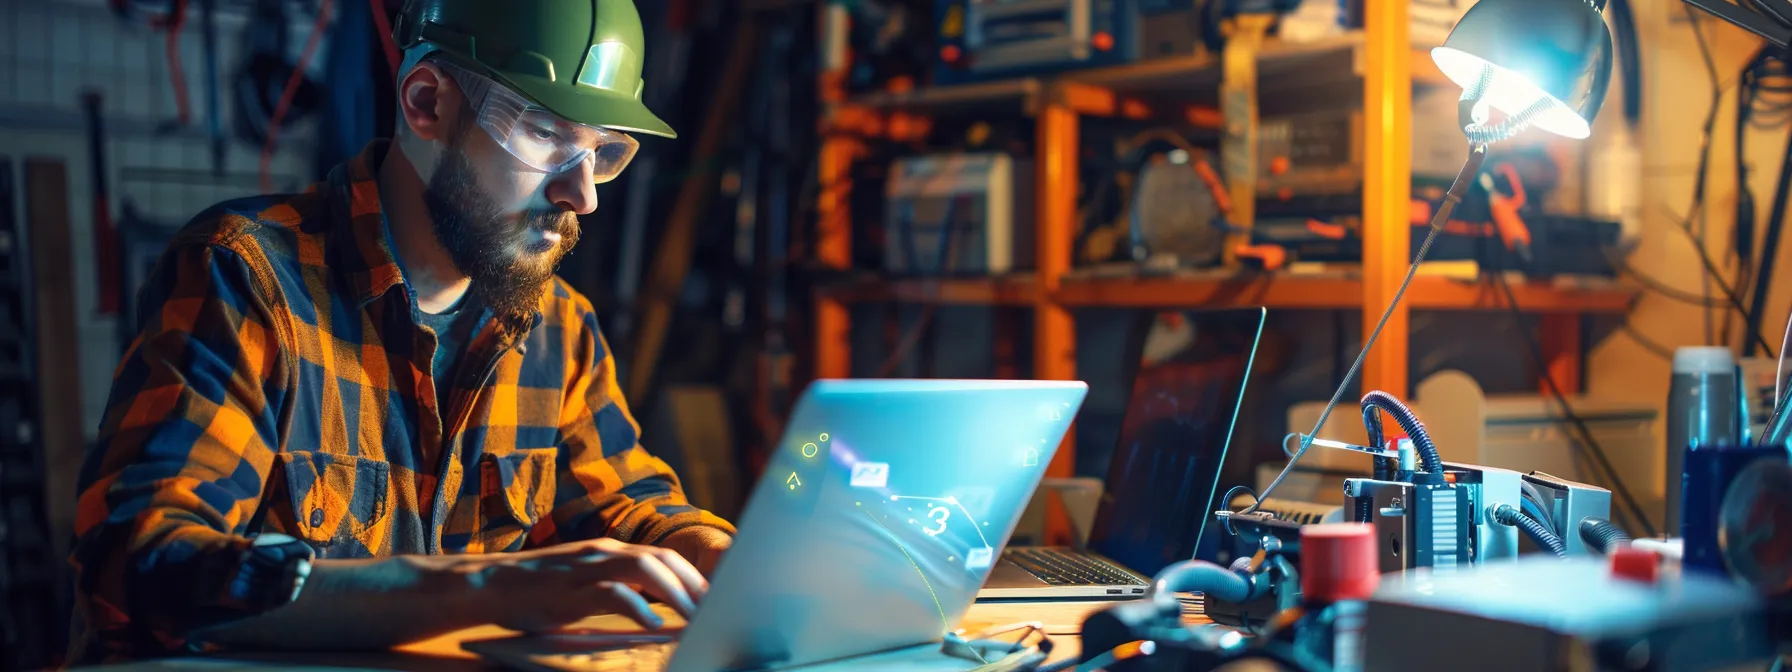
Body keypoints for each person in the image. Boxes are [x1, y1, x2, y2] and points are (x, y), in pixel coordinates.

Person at [66, 0, 733, 662]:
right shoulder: (244, 279)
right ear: (425, 103)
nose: (581, 194)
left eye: (602, 150)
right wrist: (486, 590)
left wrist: (721, 557)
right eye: (545, 134)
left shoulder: (559, 329)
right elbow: (139, 563)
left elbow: (630, 506)